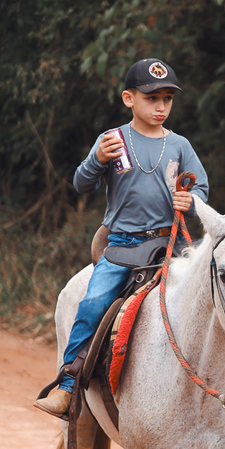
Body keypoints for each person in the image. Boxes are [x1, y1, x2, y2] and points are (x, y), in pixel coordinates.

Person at [34, 58, 210, 419]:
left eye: (167, 99)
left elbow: (202, 189)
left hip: (172, 245)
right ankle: (67, 385)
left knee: (218, 289)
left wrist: (191, 202)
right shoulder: (112, 140)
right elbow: (81, 184)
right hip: (124, 246)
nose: (161, 107)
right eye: (151, 98)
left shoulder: (179, 145)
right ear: (129, 98)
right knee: (92, 303)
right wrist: (96, 160)